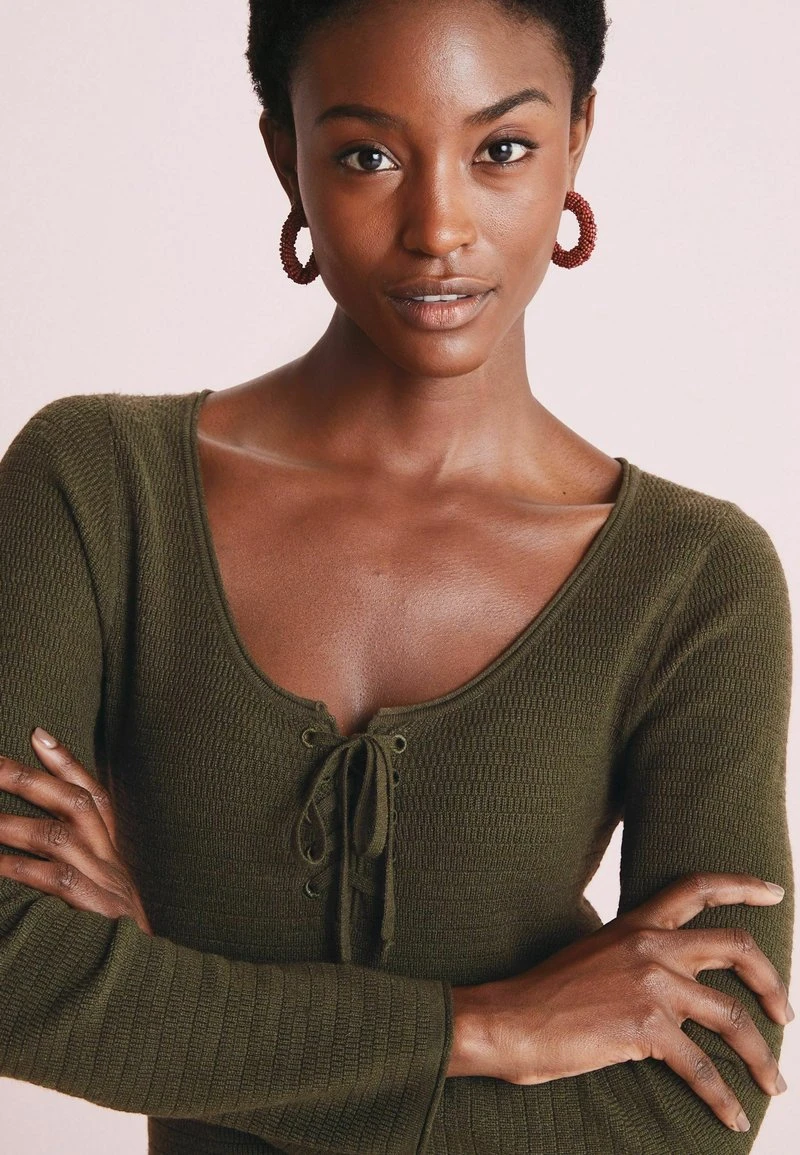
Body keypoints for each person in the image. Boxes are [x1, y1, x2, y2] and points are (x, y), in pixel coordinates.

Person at [0, 1, 793, 1152]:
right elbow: (13, 975)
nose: (439, 227)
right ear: (284, 153)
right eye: (367, 156)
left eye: (501, 149)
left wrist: (168, 1000)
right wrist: (484, 1030)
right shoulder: (96, 488)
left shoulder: (693, 580)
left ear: (577, 137)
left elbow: (688, 1110)